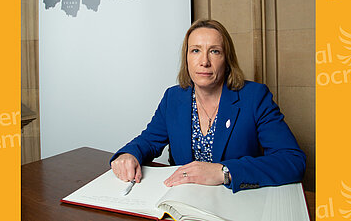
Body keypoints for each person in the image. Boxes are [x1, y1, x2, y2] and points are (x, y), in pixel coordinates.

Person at [110, 19, 305, 193]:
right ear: (186, 58)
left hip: (235, 201)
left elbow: (292, 161)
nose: (204, 62)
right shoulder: (173, 97)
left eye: (214, 51)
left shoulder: (254, 97)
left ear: (227, 60)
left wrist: (224, 172)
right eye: (195, 50)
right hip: (183, 199)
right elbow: (148, 141)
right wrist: (129, 154)